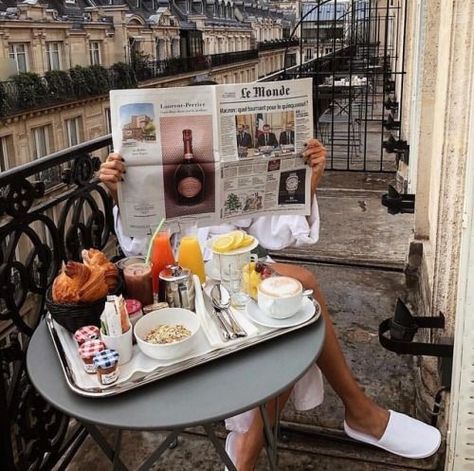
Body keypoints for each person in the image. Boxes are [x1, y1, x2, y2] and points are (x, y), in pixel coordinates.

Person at [99, 140, 440, 470]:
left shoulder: (223, 168)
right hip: (176, 278)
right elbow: (137, 251)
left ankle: (342, 417)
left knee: (297, 291)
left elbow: (274, 233)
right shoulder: (158, 175)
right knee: (293, 310)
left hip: (236, 264)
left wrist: (308, 183)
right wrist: (121, 195)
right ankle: (352, 413)